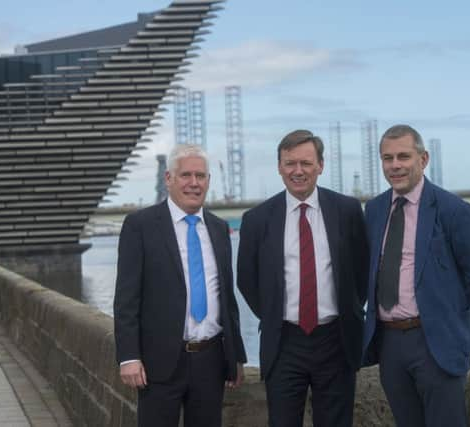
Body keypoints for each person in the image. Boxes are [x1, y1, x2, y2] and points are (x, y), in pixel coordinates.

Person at [362, 124, 470, 427]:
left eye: (403, 156)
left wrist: (452, 321)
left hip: (435, 342)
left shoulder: (453, 210)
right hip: (390, 343)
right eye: (387, 158)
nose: (395, 165)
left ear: (423, 159)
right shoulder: (374, 210)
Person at [237, 129, 368, 427]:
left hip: (336, 339)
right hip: (284, 342)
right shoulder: (257, 219)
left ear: (320, 166)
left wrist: (347, 309)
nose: (298, 171)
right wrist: (274, 314)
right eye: (290, 163)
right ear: (279, 167)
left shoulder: (347, 210)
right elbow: (247, 280)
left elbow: (361, 271)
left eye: (306, 163)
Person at [113, 144, 246, 427]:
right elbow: (126, 299)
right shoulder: (141, 225)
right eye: (186, 175)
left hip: (210, 360)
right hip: (158, 363)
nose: (194, 183)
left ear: (209, 180)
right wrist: (128, 357)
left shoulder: (219, 229)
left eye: (201, 176)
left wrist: (236, 356)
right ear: (169, 179)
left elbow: (226, 297)